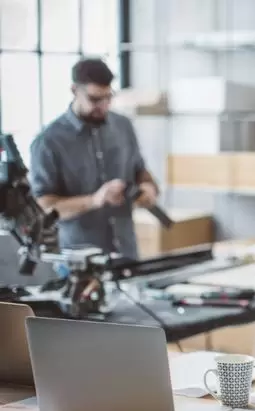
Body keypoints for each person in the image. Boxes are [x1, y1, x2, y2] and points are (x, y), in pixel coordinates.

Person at [29, 58, 159, 260]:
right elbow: (44, 207)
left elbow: (140, 171)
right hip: (79, 263)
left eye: (109, 97)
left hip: (127, 253)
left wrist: (148, 188)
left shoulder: (123, 126)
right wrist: (94, 200)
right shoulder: (48, 142)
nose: (104, 106)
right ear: (74, 91)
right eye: (95, 99)